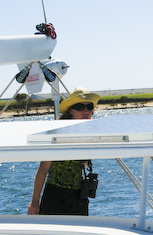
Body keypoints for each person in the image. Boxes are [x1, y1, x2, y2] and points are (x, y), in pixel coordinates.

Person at [27, 87, 100, 216]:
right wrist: (35, 201)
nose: (85, 111)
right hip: (55, 195)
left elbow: (83, 165)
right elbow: (43, 168)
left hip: (78, 197)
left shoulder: (91, 135)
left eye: (89, 107)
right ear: (71, 110)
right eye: (80, 107)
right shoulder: (57, 134)